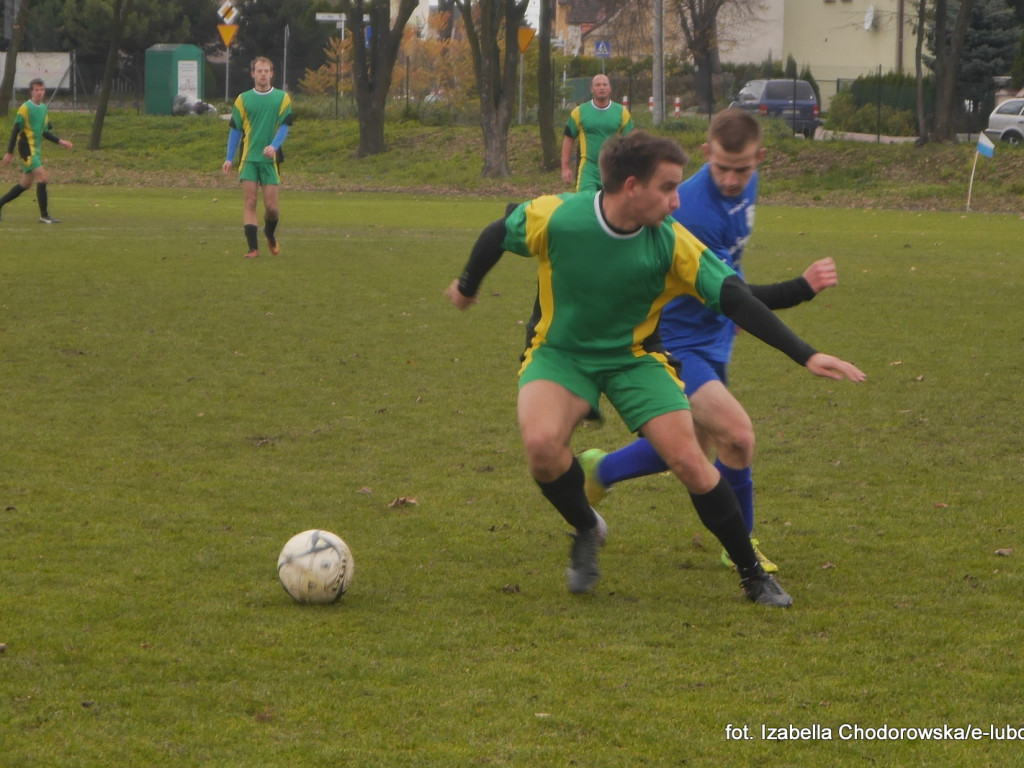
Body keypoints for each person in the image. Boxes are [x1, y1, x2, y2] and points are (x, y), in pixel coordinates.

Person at [446, 130, 865, 607]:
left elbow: (734, 298)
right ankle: (587, 527)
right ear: (631, 186)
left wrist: (805, 353)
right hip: (560, 353)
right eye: (667, 187)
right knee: (542, 447)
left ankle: (752, 575)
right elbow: (499, 232)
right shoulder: (560, 217)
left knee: (689, 458)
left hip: (635, 358)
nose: (677, 199)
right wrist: (467, 284)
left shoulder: (671, 242)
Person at [579, 109, 837, 574]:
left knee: (688, 446)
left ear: (759, 158)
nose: (733, 179)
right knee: (736, 436)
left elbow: (728, 286)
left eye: (742, 168)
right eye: (721, 167)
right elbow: (733, 293)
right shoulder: (692, 210)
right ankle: (741, 544)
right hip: (675, 340)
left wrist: (729, 313)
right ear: (706, 154)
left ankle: (600, 471)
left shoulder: (746, 183)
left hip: (714, 334)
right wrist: (802, 288)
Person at [223, 56, 293, 259]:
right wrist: (229, 157)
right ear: (253, 74)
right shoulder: (242, 99)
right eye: (259, 71)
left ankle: (269, 232)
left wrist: (274, 146)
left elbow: (285, 126)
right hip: (248, 159)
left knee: (271, 208)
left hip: (270, 160)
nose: (263, 74)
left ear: (272, 74)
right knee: (250, 201)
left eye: (266, 71)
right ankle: (252, 248)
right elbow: (235, 130)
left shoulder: (282, 98)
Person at [0, 78, 73, 224]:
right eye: (36, 90)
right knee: (42, 177)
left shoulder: (44, 108)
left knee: (25, 184)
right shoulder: (25, 108)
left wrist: (60, 141)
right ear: (31, 91)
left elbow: (45, 132)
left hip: (36, 149)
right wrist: (9, 152)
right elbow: (15, 130)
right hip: (26, 148)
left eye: (42, 89)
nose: (40, 92)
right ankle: (44, 215)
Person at [561, 74, 633, 192]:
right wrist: (565, 167)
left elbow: (630, 142)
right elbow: (569, 138)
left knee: (611, 207)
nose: (602, 88)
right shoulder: (579, 112)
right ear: (591, 89)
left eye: (604, 84)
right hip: (589, 169)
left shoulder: (622, 112)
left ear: (610, 88)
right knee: (585, 204)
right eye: (598, 85)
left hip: (612, 169)